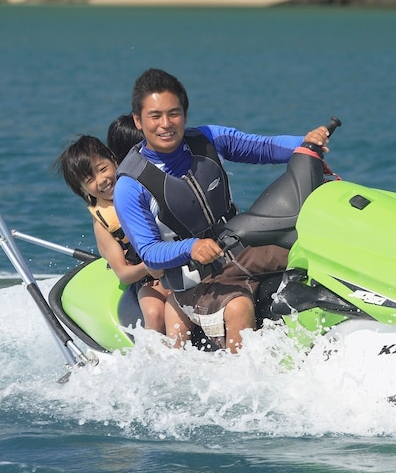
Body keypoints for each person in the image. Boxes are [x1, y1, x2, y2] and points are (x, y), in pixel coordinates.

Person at [113, 68, 331, 352]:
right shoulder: (131, 186)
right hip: (193, 279)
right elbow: (149, 251)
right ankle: (243, 375)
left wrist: (306, 144)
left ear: (185, 114)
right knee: (239, 306)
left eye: (173, 113)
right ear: (138, 120)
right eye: (155, 116)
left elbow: (264, 147)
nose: (166, 124)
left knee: (310, 251)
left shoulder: (208, 139)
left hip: (242, 251)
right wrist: (191, 247)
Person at [53, 133, 172, 334]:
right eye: (90, 179)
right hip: (149, 275)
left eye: (102, 169)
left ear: (114, 161)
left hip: (182, 258)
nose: (101, 180)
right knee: (154, 313)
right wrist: (149, 266)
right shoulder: (103, 224)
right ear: (82, 190)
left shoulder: (144, 186)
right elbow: (124, 274)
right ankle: (155, 353)